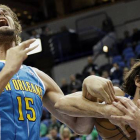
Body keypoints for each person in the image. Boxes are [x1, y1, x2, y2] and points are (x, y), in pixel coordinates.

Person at [0, 4, 123, 140]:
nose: (1, 13)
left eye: (5, 12)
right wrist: (9, 69)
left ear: (16, 28)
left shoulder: (37, 76)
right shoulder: (10, 69)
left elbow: (80, 127)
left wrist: (89, 90)